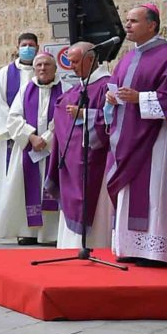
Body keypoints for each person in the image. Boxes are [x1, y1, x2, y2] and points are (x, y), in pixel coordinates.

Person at [104, 3, 167, 265]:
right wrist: (112, 99)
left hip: (157, 140)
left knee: (156, 191)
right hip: (129, 139)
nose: (127, 25)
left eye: (134, 21)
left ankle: (156, 252)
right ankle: (131, 248)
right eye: (127, 20)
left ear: (152, 25)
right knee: (130, 193)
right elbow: (118, 93)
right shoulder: (126, 59)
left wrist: (140, 98)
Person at [48, 42, 113, 250]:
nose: (72, 67)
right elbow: (61, 111)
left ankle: (97, 248)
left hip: (97, 163)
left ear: (91, 60)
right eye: (70, 62)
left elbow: (114, 120)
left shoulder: (107, 86)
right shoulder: (78, 88)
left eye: (75, 62)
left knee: (96, 210)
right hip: (73, 163)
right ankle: (71, 247)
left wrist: (85, 115)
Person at [0, 52, 62, 244]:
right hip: (27, 150)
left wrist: (47, 138)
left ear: (55, 68)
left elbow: (64, 118)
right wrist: (31, 137)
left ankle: (50, 234)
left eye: (47, 65)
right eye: (39, 65)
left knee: (51, 188)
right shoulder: (25, 89)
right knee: (24, 189)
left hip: (54, 150)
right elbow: (13, 118)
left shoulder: (65, 89)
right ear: (34, 69)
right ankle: (28, 232)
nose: (43, 68)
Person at [0, 32, 40, 220]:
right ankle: (12, 222)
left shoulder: (43, 69)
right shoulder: (5, 73)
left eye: (31, 45)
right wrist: (19, 130)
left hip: (38, 137)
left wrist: (35, 132)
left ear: (37, 48)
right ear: (17, 47)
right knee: (11, 181)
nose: (27, 48)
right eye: (24, 45)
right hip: (11, 137)